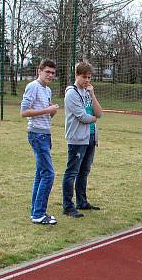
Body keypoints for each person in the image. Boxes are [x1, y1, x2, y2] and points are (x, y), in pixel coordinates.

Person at [62, 61, 103, 217]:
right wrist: (93, 119)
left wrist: (92, 94)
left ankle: (82, 201)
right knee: (72, 172)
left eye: (89, 77)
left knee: (84, 171)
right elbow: (82, 116)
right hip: (77, 139)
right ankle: (68, 205)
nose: (87, 80)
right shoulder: (71, 93)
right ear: (76, 75)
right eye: (84, 77)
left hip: (91, 137)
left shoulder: (87, 92)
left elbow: (99, 113)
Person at [21, 58, 59, 225]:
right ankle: (38, 214)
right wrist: (47, 110)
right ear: (39, 71)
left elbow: (45, 113)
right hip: (37, 135)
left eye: (52, 73)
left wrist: (51, 112)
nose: (50, 75)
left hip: (45, 133)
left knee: (40, 174)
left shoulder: (47, 90)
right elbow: (24, 112)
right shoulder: (33, 87)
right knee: (49, 174)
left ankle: (35, 211)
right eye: (47, 72)